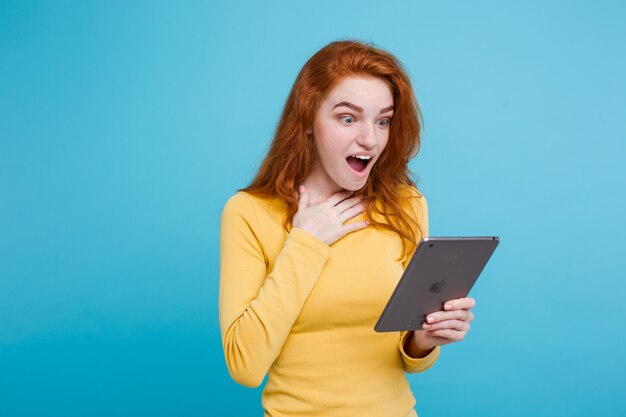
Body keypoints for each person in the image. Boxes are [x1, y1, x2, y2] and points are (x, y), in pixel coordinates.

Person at [219, 40, 475, 417]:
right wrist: (306, 242)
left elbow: (408, 359)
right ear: (307, 120)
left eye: (383, 120)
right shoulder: (250, 213)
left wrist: (424, 339)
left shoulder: (405, 206)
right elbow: (245, 366)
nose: (370, 139)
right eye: (347, 118)